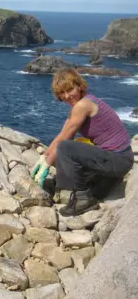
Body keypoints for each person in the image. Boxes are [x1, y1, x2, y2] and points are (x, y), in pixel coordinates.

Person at [31, 67, 133, 216]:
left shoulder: (83, 105)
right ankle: (88, 189)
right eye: (61, 92)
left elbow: (64, 142)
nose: (66, 96)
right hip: (120, 160)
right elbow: (62, 134)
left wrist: (47, 165)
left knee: (65, 148)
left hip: (118, 160)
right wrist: (43, 158)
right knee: (94, 189)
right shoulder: (78, 106)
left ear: (79, 86)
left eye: (70, 89)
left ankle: (82, 200)